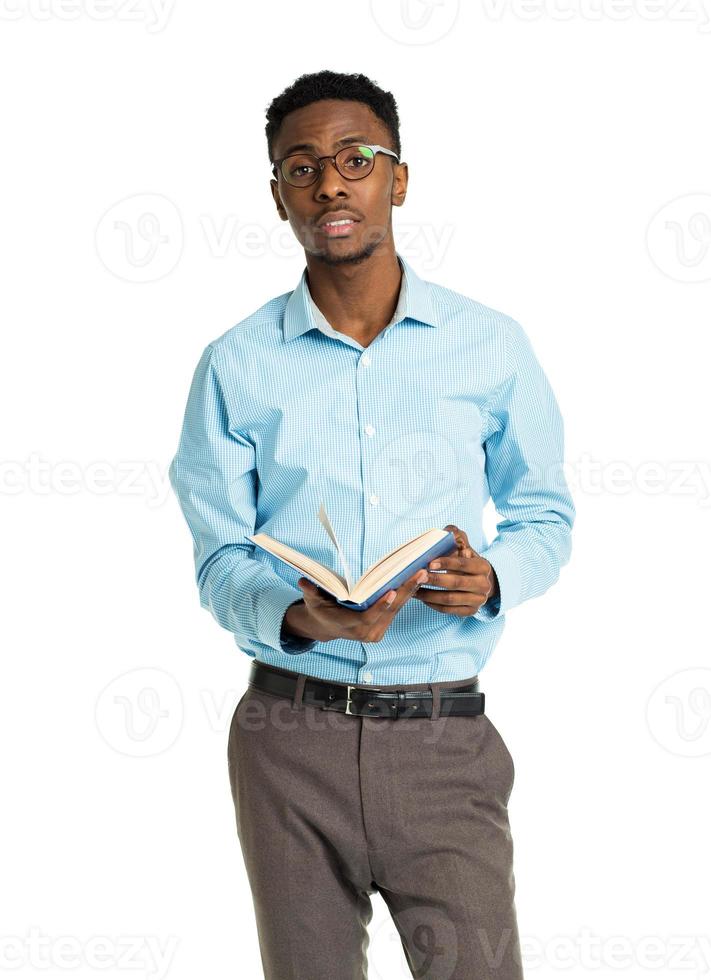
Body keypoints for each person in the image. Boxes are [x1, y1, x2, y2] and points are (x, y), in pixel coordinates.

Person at [168, 69, 575, 980]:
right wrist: (300, 613)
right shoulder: (235, 364)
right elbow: (220, 557)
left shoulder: (490, 343)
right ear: (278, 198)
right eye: (301, 167)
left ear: (398, 178)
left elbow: (543, 512)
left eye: (356, 159)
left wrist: (496, 576)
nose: (330, 185)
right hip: (287, 741)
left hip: (442, 738)